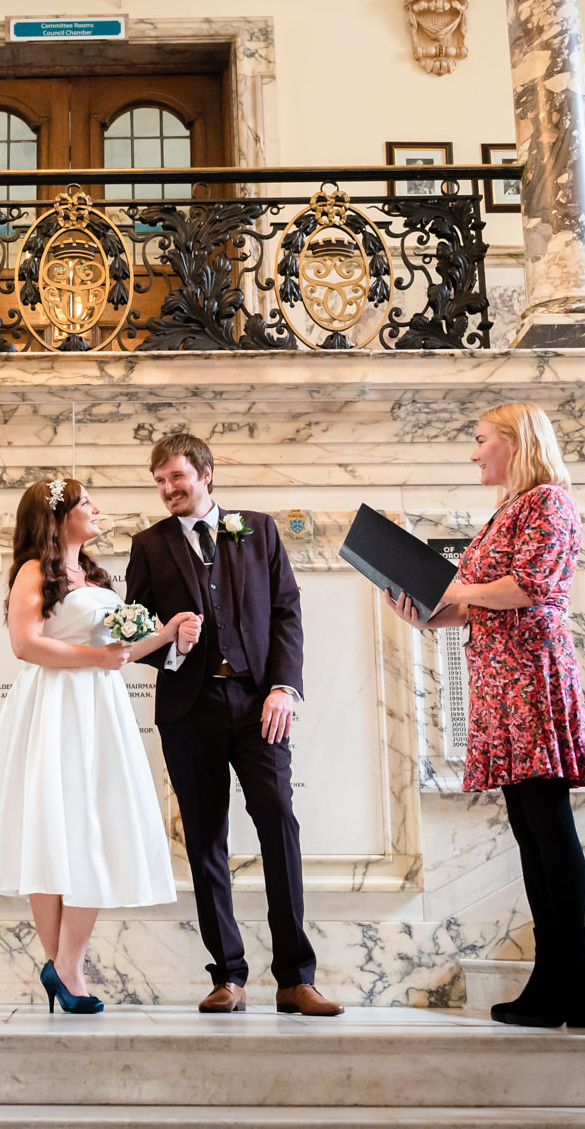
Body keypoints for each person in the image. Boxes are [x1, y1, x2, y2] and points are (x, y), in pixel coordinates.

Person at [386, 402, 585, 1028]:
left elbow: (534, 587)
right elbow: (475, 605)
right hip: (500, 684)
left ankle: (565, 975)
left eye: (481, 439)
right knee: (530, 831)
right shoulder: (507, 511)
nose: (474, 451)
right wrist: (428, 613)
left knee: (548, 824)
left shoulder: (549, 503)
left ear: (516, 442)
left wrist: (456, 592)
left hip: (530, 679)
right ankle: (567, 979)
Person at [124, 433, 343, 1018]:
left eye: (176, 477)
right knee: (205, 838)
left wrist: (282, 687)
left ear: (206, 472)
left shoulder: (260, 530)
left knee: (279, 825)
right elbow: (134, 632)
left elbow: (286, 612)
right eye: (160, 482)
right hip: (187, 710)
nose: (169, 490)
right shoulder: (148, 546)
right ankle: (229, 975)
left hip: (258, 704)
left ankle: (296, 978)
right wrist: (171, 643)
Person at [0, 476, 187, 1014]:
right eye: (86, 504)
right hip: (55, 708)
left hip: (100, 710)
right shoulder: (37, 571)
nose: (97, 509)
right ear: (57, 517)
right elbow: (25, 644)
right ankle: (68, 967)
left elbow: (121, 652)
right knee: (54, 829)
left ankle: (63, 965)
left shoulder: (98, 576)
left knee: (98, 831)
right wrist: (98, 660)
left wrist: (168, 631)